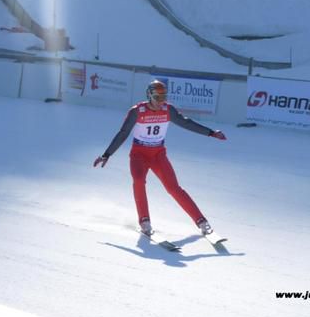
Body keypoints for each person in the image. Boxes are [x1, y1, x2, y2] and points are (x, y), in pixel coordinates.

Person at [93, 79, 226, 236]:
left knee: (173, 188)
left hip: (158, 155)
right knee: (139, 181)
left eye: (164, 98)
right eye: (157, 98)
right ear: (149, 95)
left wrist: (210, 133)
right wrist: (107, 154)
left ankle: (201, 221)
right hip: (139, 155)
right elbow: (123, 133)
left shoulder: (168, 110)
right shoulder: (137, 111)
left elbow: (186, 123)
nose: (161, 102)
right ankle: (144, 221)